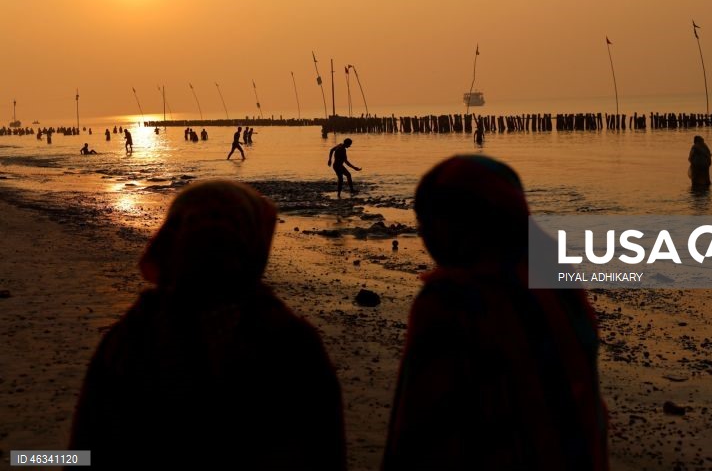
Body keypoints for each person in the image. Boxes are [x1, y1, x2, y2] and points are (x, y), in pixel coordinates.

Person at [68, 181, 346, 470]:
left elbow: (84, 451)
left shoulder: (130, 338)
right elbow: (327, 452)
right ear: (254, 246)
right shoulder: (292, 343)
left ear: (171, 244)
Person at [382, 155, 608, 470]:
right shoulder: (560, 282)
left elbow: (419, 426)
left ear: (468, 224)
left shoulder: (452, 301)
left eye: (431, 223)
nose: (425, 236)